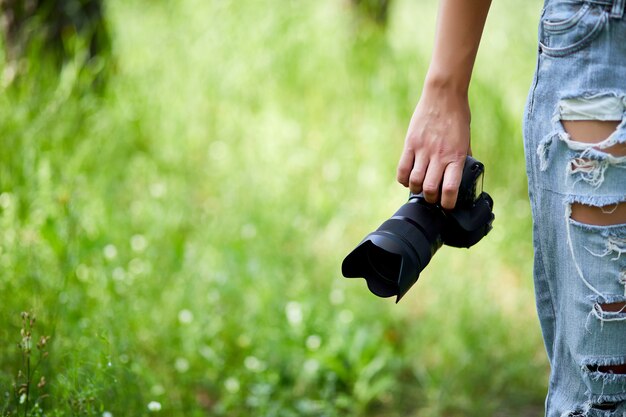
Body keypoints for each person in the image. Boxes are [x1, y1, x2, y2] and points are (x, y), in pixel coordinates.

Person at [396, 1, 626, 415]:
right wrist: (444, 87)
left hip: (605, 49)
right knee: (607, 385)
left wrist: (445, 87)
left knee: (606, 393)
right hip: (607, 50)